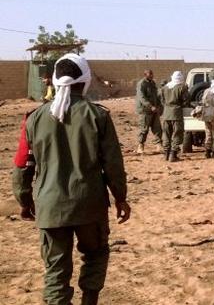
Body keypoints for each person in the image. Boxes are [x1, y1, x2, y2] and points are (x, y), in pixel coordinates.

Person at [11, 54, 130, 305]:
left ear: (54, 81)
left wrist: (24, 200)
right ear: (85, 80)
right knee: (96, 254)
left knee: (55, 270)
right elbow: (113, 164)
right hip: (90, 205)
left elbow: (23, 165)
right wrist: (121, 198)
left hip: (50, 206)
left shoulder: (33, 118)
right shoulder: (98, 116)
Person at [160, 71, 189, 162]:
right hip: (176, 113)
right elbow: (186, 100)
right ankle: (173, 155)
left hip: (166, 113)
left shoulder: (165, 87)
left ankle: (166, 154)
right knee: (177, 133)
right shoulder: (182, 87)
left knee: (166, 134)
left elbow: (162, 100)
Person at [134, 69, 163, 155]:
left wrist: (158, 105)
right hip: (145, 110)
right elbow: (141, 97)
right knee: (144, 128)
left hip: (154, 109)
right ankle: (140, 145)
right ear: (145, 74)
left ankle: (159, 145)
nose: (151, 75)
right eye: (150, 74)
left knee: (157, 128)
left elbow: (156, 95)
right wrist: (150, 106)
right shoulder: (141, 84)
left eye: (152, 74)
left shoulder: (152, 83)